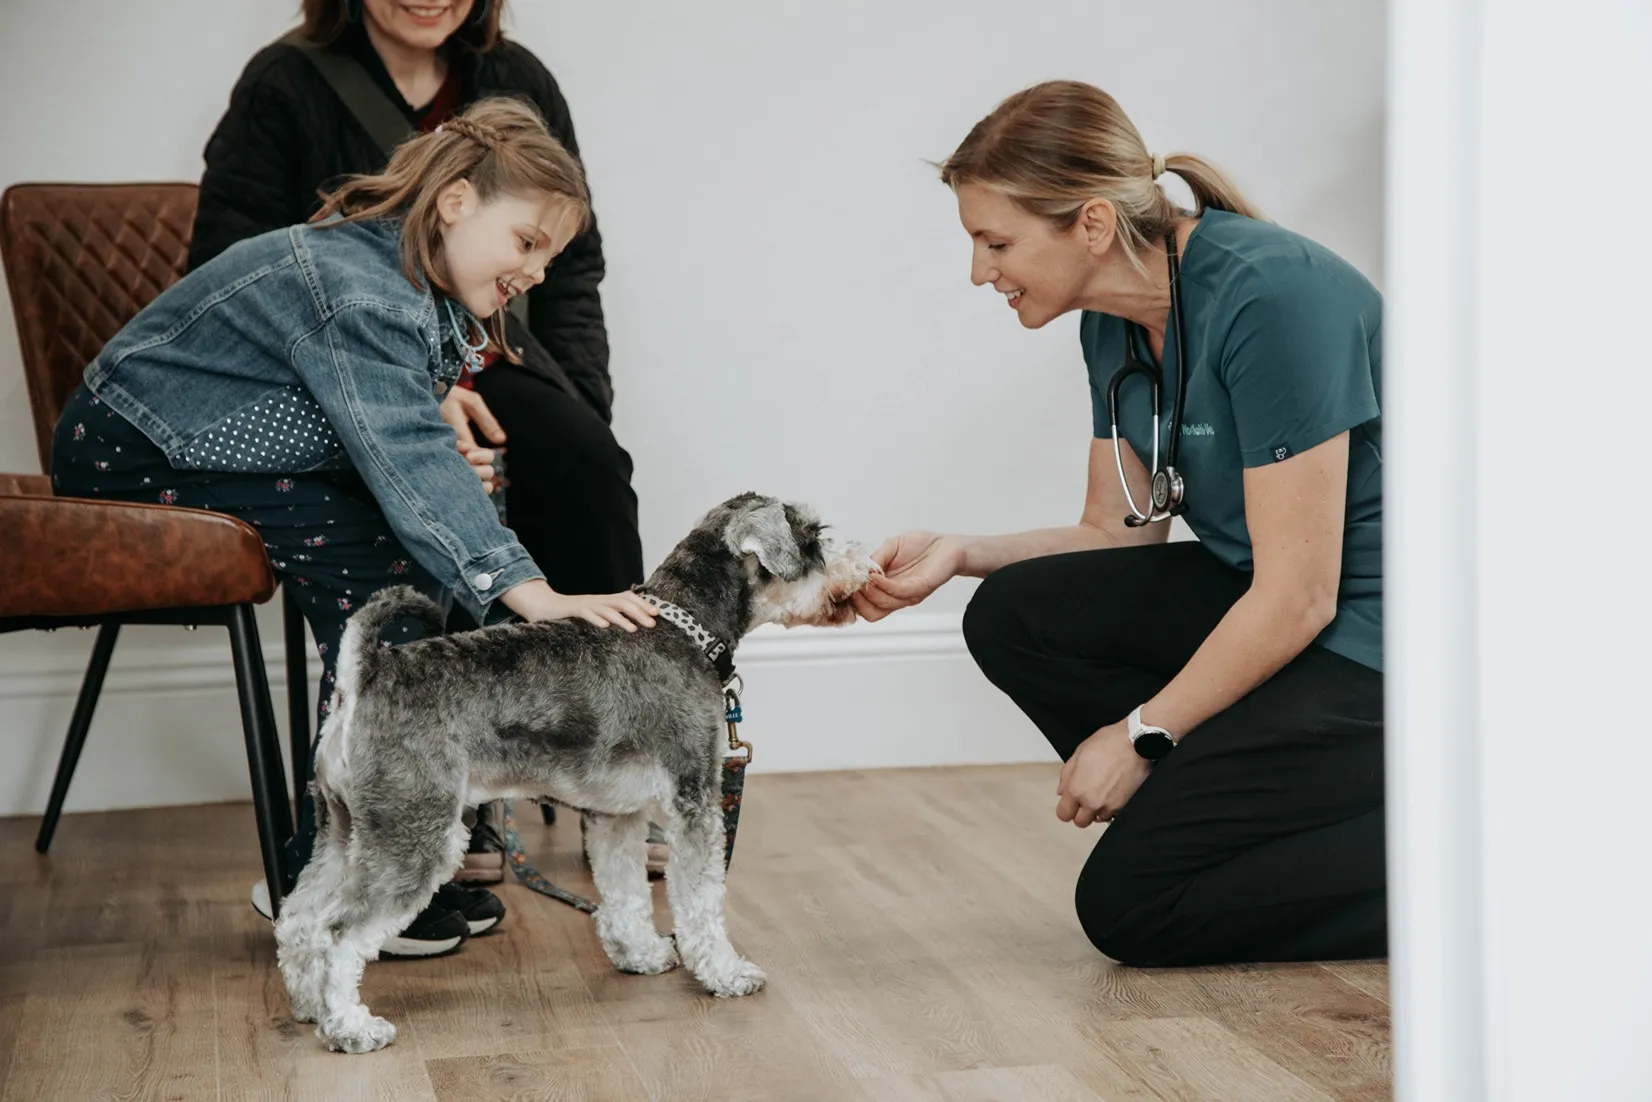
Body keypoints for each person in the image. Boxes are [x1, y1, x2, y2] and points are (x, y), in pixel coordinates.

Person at [51, 97, 659, 958]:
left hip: (209, 444)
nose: (537, 273)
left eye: (551, 257)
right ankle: (329, 882)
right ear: (454, 202)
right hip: (142, 455)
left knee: (417, 561)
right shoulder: (361, 292)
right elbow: (402, 448)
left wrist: (434, 441)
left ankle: (388, 853)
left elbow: (381, 411)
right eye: (528, 242)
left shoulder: (395, 278)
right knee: (388, 598)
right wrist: (528, 589)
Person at [854, 80, 1385, 966]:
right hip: (1271, 599)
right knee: (1014, 611)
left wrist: (1142, 735)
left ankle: (1465, 855)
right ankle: (1221, 809)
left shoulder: (1273, 297)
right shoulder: (1112, 327)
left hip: (1378, 643)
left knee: (1131, 907)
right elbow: (1116, 532)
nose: (980, 272)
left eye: (996, 242)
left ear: (1091, 225)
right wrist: (959, 554)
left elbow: (1300, 597)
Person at [190, 0, 664, 900]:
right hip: (339, 361)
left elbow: (573, 266)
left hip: (498, 353)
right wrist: (408, 380)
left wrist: (581, 405)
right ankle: (461, 785)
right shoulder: (284, 83)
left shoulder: (520, 81)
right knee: (424, 487)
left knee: (588, 466)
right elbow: (232, 255)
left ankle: (615, 765)